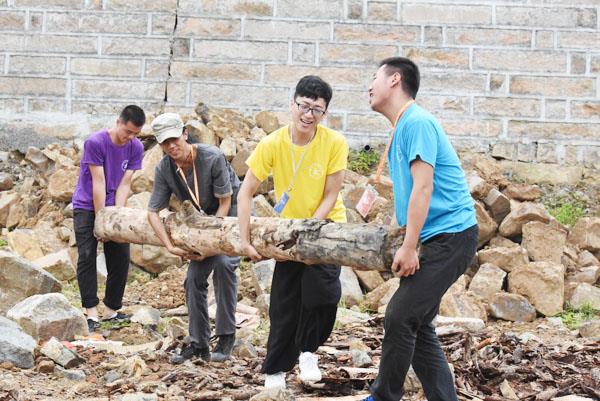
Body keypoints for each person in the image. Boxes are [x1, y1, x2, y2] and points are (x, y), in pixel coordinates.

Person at [361, 57, 479, 401]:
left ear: (394, 80)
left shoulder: (418, 122)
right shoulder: (403, 126)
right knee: (418, 324)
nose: (369, 86)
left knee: (399, 316)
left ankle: (383, 397)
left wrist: (410, 246)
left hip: (452, 236)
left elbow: (423, 187)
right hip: (438, 238)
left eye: (375, 77)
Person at [237, 75, 349, 389]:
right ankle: (275, 371)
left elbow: (331, 194)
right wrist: (244, 240)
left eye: (317, 109)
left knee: (323, 294)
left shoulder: (334, 142)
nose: (308, 114)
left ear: (324, 112)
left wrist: (309, 230)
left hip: (325, 227)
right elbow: (245, 192)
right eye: (304, 106)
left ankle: (308, 351)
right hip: (288, 232)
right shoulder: (272, 143)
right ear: (293, 104)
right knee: (284, 304)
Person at [147, 113, 240, 363]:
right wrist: (170, 246)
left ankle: (226, 336)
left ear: (185, 134)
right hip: (200, 222)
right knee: (193, 279)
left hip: (228, 216)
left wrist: (211, 243)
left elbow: (225, 202)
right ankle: (199, 344)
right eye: (165, 143)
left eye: (174, 139)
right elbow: (152, 212)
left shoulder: (212, 157)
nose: (171, 146)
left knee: (223, 265)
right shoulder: (165, 168)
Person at [72, 105, 146, 332]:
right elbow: (99, 182)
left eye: (135, 133)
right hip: (87, 205)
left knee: (121, 257)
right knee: (87, 256)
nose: (130, 137)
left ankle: (111, 309)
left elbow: (125, 184)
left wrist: (116, 216)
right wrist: (101, 221)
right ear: (118, 122)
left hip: (113, 207)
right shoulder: (95, 143)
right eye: (128, 131)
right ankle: (91, 312)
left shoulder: (136, 147)